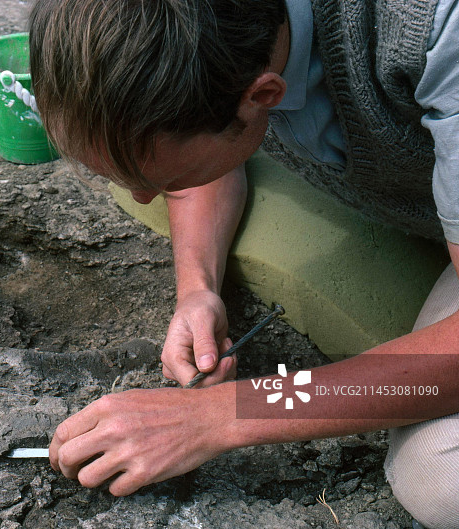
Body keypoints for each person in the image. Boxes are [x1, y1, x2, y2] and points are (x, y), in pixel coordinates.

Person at [27, 0, 459, 527]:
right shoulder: (220, 45)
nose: (145, 198)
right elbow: (204, 131)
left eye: (162, 180)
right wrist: (197, 288)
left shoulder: (437, 36)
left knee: (440, 479)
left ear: (263, 95)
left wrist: (221, 415)